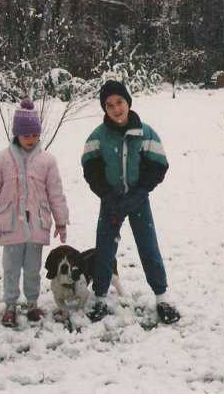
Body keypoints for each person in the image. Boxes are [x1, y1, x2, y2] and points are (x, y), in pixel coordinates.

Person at [81, 80, 181, 324]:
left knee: (148, 246)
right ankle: (100, 297)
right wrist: (106, 194)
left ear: (128, 102)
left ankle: (162, 296)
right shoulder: (98, 137)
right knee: (105, 248)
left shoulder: (145, 133)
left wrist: (141, 191)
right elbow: (90, 169)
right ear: (104, 108)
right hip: (111, 201)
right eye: (109, 105)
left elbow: (158, 165)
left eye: (120, 102)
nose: (116, 109)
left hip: (138, 200)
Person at [0, 100, 69, 327]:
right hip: (10, 223)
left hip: (37, 225)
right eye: (26, 135)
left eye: (35, 134)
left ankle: (32, 304)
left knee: (32, 269)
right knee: (10, 269)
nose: (31, 139)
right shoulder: (0, 160)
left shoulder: (48, 161)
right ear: (16, 134)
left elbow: (56, 193)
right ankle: (10, 305)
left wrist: (61, 222)